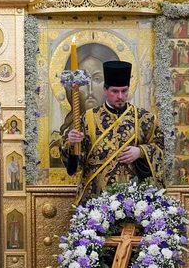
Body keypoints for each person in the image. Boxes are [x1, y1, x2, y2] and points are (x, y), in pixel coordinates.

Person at [63, 60, 164, 204]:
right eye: (115, 91)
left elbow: (160, 147)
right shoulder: (88, 118)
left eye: (124, 91)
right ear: (105, 90)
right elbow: (76, 166)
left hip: (134, 200)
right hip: (96, 198)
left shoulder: (145, 119)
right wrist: (72, 143)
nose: (120, 96)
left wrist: (141, 152)